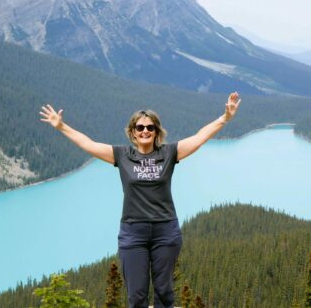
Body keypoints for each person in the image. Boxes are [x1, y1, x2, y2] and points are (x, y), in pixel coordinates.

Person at [39, 92, 241, 308]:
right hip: (133, 233)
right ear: (133, 132)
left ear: (156, 132)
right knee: (136, 295)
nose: (145, 131)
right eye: (140, 127)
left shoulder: (169, 153)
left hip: (165, 230)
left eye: (150, 127)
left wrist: (225, 118)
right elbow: (88, 143)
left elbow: (200, 137)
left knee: (164, 292)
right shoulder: (122, 155)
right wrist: (61, 127)